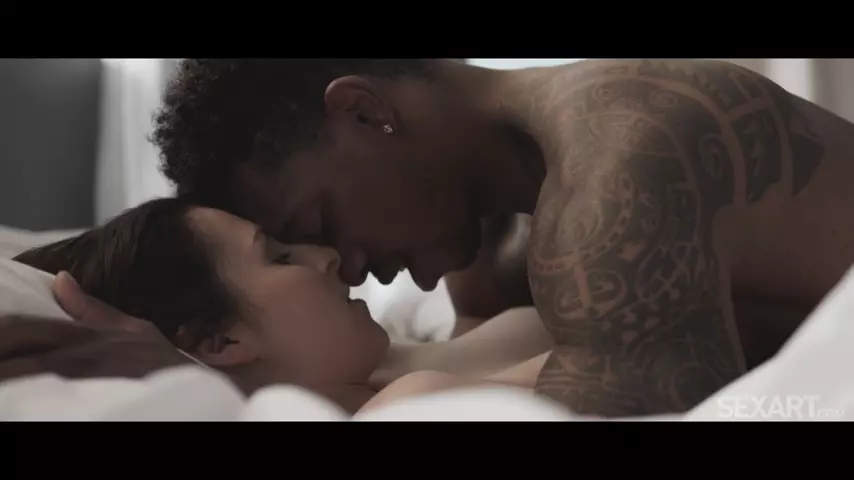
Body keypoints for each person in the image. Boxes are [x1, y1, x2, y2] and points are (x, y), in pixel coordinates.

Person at [28, 57, 854, 418]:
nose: (344, 265)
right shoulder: (491, 245)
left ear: (362, 112)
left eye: (319, 226)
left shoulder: (621, 176)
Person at [9, 198, 552, 414]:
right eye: (280, 256)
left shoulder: (386, 367)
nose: (328, 257)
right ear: (221, 341)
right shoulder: (410, 406)